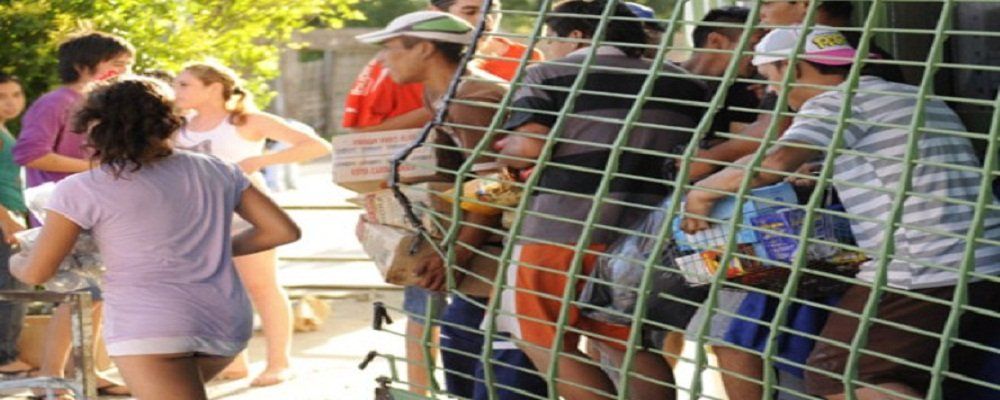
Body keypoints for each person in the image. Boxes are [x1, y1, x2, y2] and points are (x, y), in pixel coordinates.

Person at [681, 27, 1000, 400]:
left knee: (837, 376)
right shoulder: (907, 95)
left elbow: (775, 162)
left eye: (769, 79)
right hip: (982, 255)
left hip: (923, 265)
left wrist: (702, 194)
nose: (771, 92)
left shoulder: (837, 102)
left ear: (791, 67)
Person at [11, 76, 301, 400]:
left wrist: (17, 259)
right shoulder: (217, 169)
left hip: (150, 328)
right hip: (225, 325)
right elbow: (282, 231)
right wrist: (211, 250)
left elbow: (38, 272)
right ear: (169, 121)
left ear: (96, 127)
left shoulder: (81, 188)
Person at [491, 1, 709, 398]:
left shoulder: (550, 73)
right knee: (627, 341)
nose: (547, 47)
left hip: (561, 227)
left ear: (575, 34)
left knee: (541, 335)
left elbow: (528, 147)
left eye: (550, 38)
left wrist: (502, 153)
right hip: (645, 237)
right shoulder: (686, 83)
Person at [171, 61, 332, 387]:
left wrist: (260, 160)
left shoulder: (246, 120)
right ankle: (236, 362)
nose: (176, 91)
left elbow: (317, 145)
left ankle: (278, 363)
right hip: (197, 218)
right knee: (213, 291)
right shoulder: (178, 125)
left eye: (185, 84)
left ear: (213, 87)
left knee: (262, 286)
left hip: (247, 214)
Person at [12, 31, 135, 397]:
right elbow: (30, 153)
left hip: (94, 213)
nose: (124, 72)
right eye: (116, 65)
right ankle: (51, 379)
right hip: (61, 214)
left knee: (95, 297)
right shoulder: (56, 102)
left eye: (127, 66)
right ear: (84, 65)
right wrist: (95, 166)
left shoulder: (96, 103)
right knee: (81, 295)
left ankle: (86, 371)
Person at [344, 0, 543, 133]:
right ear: (435, 13)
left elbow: (489, 175)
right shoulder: (394, 66)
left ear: (425, 49)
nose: (486, 20)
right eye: (470, 11)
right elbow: (359, 133)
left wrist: (453, 106)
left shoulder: (526, 58)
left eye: (494, 11)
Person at [0, 73, 30, 377]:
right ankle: (5, 360)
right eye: (2, 96)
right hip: (4, 217)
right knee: (11, 286)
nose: (11, 102)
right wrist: (6, 218)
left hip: (11, 214)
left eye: (16, 94)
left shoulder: (5, 130)